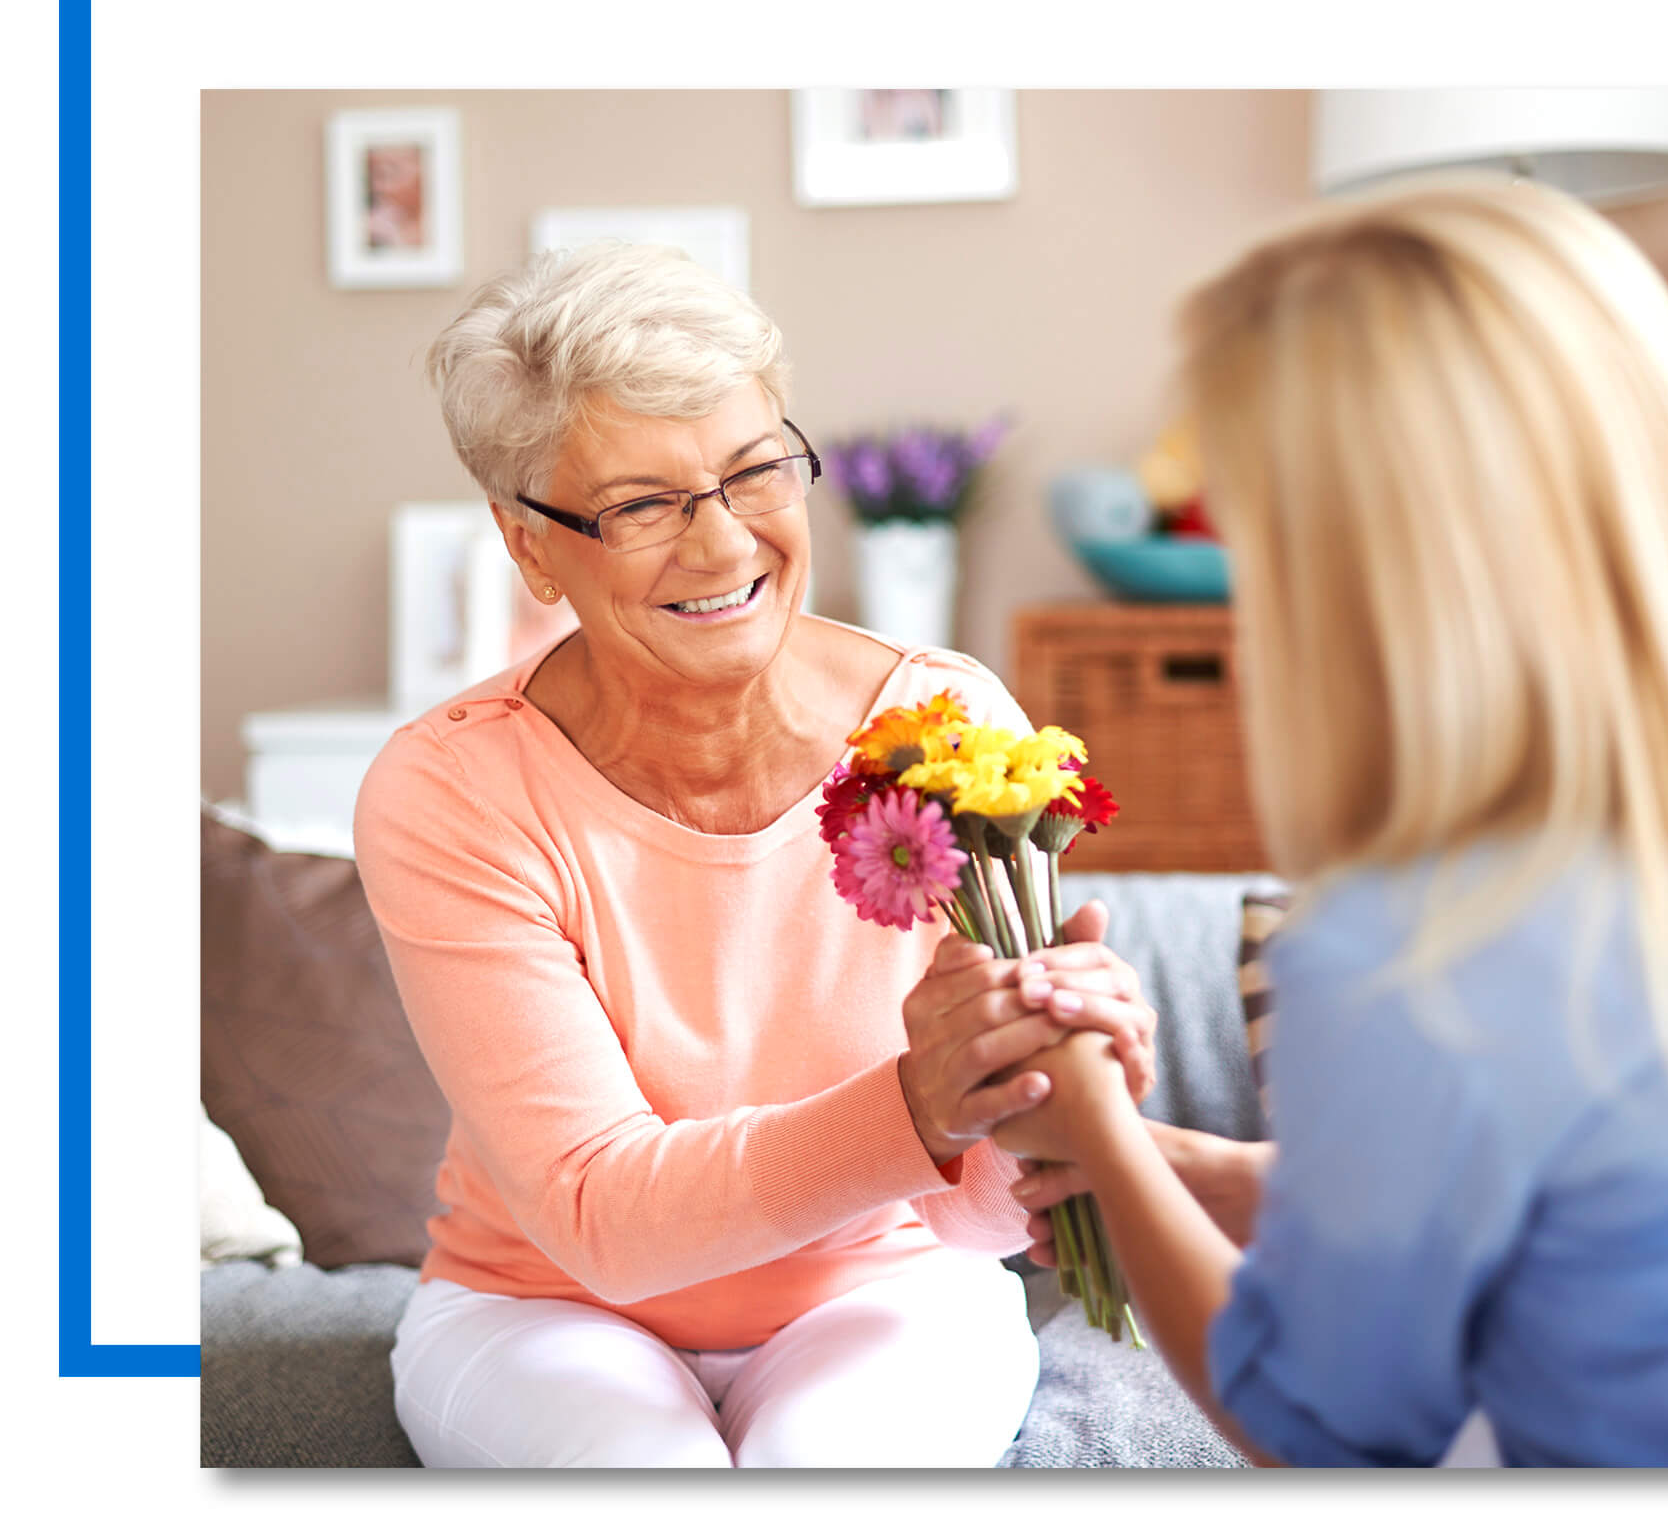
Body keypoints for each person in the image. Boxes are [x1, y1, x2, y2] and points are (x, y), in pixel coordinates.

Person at [994, 174, 1668, 1468]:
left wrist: (1101, 1125)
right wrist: (1190, 1171)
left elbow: (1321, 1423)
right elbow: (1631, 1211)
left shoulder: (1416, 950)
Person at [352, 241, 1159, 1468]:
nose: (724, 545)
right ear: (530, 544)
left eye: (753, 472)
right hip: (544, 1306)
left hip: (880, 1288)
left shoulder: (940, 729)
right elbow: (598, 1217)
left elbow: (983, 1212)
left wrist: (1050, 1082)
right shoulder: (451, 788)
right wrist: (915, 1101)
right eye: (639, 506)